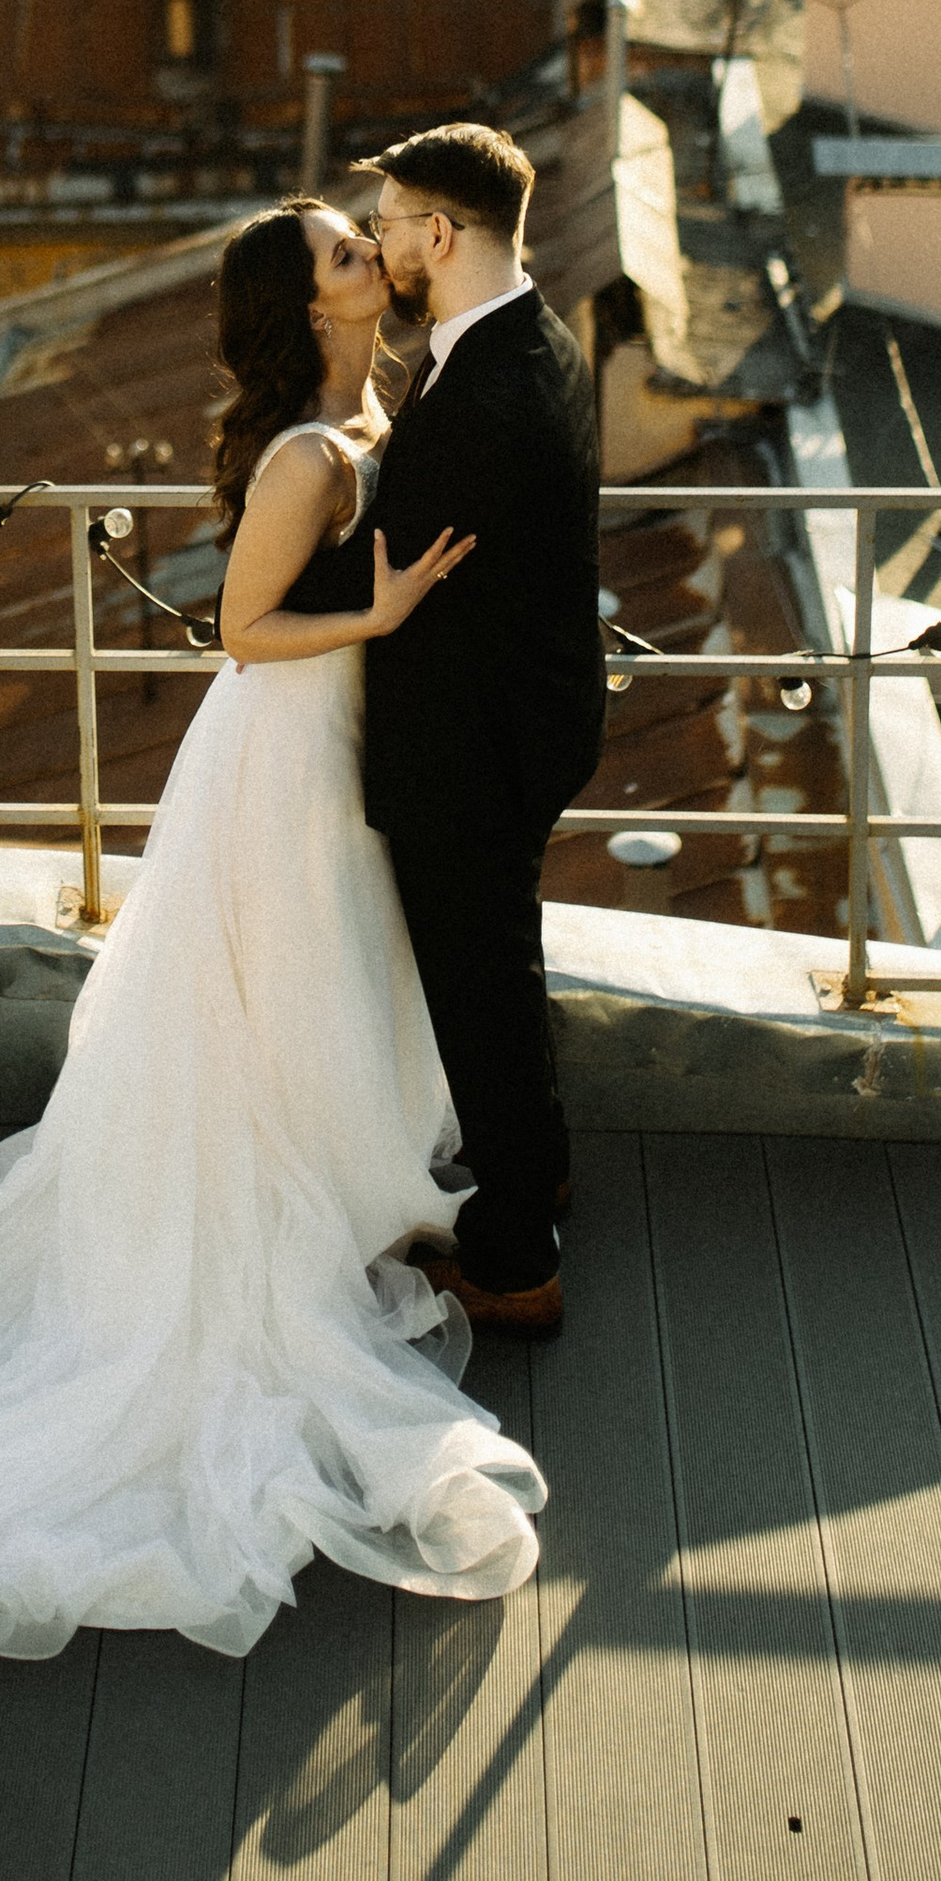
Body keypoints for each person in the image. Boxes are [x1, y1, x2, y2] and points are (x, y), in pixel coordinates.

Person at [0, 198, 548, 1661]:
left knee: (318, 989)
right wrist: (390, 605)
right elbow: (237, 629)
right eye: (349, 257)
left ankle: (332, 1168)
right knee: (276, 993)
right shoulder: (309, 455)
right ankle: (280, 1203)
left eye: (366, 243)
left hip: (326, 751)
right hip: (281, 755)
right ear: (311, 311)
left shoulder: (377, 410)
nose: (374, 258)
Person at [363, 123, 608, 1335]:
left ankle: (515, 1259)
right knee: (500, 964)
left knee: (481, 991)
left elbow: (392, 567)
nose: (381, 242)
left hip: (475, 739)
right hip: (531, 710)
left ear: (442, 236)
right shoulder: (529, 333)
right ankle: (543, 1166)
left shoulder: (482, 396)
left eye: (394, 224)